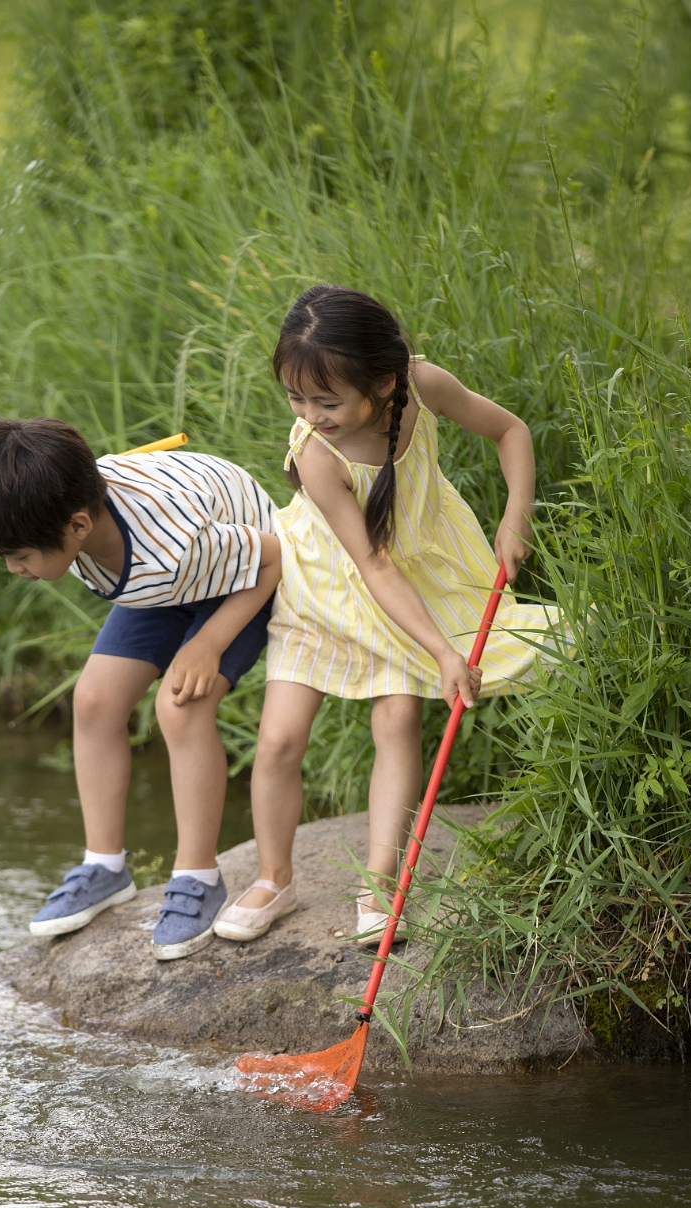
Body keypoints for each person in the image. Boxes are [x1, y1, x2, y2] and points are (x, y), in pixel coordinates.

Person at [214, 283, 554, 945]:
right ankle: (273, 877)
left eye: (327, 399)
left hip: (415, 565)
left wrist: (516, 515)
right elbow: (368, 565)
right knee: (281, 737)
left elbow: (511, 431)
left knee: (397, 717)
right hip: (328, 576)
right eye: (295, 398)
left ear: (385, 380)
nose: (310, 414)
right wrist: (442, 651)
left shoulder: (422, 384)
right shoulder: (317, 453)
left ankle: (380, 886)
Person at [0, 416, 280, 959]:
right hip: (158, 584)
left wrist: (207, 643)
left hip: (239, 578)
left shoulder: (172, 545)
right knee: (94, 701)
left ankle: (199, 876)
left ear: (78, 526)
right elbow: (23, 456)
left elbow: (273, 555)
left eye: (19, 556)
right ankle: (105, 867)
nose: (14, 569)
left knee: (179, 705)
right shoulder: (63, 497)